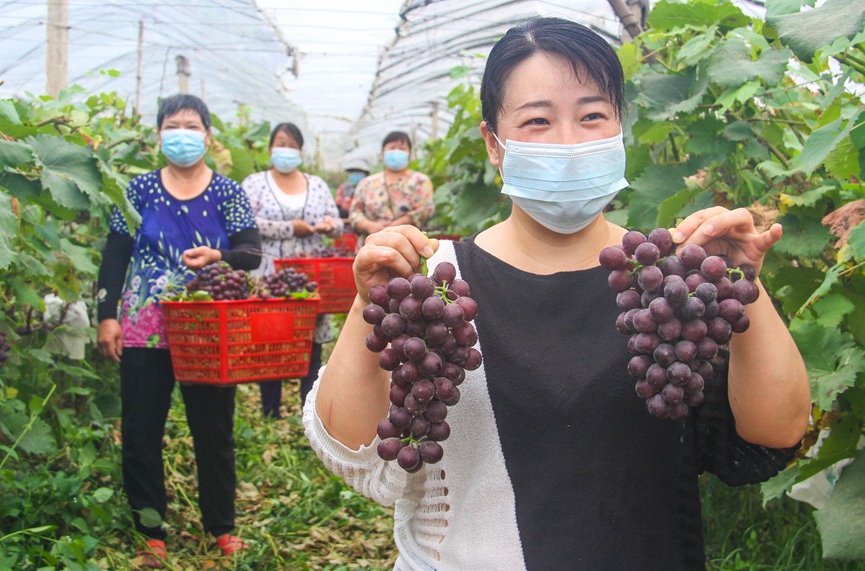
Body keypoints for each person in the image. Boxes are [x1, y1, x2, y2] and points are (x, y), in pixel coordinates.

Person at [302, 18, 811, 570]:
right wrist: (368, 304)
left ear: (620, 129)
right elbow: (352, 452)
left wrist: (745, 286)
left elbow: (776, 431)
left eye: (593, 116)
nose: (570, 141)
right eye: (538, 121)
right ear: (494, 145)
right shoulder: (437, 286)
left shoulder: (672, 281)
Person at [96, 94, 261, 568]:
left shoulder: (227, 192)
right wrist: (108, 314)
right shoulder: (139, 190)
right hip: (144, 326)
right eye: (172, 125)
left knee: (213, 431)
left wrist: (219, 256)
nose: (181, 133)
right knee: (141, 428)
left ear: (208, 136)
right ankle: (150, 530)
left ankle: (221, 528)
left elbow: (251, 251)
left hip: (208, 330)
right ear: (159, 135)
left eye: (191, 125)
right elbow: (115, 254)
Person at [241, 122, 344, 418]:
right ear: (271, 148)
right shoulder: (255, 183)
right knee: (271, 338)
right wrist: (289, 228)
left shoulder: (317, 184)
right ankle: (270, 410)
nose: (285, 149)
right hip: (268, 274)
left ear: (300, 150)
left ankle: (306, 411)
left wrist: (327, 226)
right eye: (280, 143)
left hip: (309, 276)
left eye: (291, 145)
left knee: (307, 337)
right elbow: (247, 223)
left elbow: (337, 224)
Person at [348, 131, 434, 244]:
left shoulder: (420, 181)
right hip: (371, 245)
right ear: (382, 154)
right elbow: (355, 212)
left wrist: (396, 225)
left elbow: (425, 209)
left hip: (410, 244)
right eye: (392, 148)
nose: (396, 152)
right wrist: (369, 226)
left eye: (401, 148)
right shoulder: (367, 183)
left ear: (409, 154)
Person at [335, 156, 371, 224]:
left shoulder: (370, 188)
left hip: (366, 226)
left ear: (365, 173)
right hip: (345, 228)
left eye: (358, 172)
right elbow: (337, 208)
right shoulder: (343, 187)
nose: (355, 174)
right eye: (353, 171)